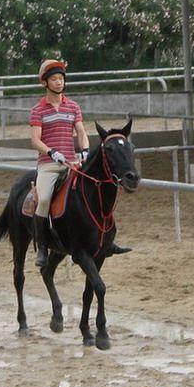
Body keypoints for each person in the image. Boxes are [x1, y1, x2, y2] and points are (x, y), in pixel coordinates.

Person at [29, 59, 130, 268]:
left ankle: (106, 240)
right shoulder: (38, 110)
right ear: (45, 83)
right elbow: (35, 140)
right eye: (54, 79)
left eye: (61, 79)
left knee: (98, 193)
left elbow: (81, 132)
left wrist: (84, 150)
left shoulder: (73, 106)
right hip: (49, 164)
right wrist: (51, 151)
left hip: (73, 162)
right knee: (45, 199)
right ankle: (42, 246)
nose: (59, 82)